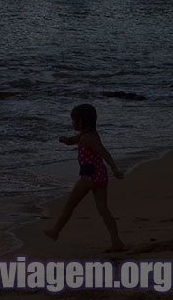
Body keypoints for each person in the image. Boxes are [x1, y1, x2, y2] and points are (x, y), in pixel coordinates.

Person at [44, 103, 125, 251]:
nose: (72, 123)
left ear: (81, 122)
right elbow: (72, 141)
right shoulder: (88, 135)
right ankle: (116, 241)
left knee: (70, 205)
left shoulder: (89, 138)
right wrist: (64, 140)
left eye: (74, 120)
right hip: (100, 175)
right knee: (103, 209)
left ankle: (55, 231)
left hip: (88, 177)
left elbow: (105, 153)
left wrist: (115, 169)